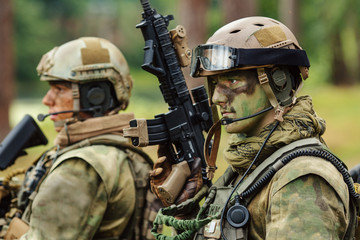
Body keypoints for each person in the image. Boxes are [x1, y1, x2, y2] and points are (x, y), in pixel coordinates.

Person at [149, 17, 359, 239]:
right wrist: (186, 208)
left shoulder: (302, 180)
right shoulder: (250, 168)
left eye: (232, 82)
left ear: (279, 82)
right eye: (215, 83)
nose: (217, 97)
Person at [1, 37, 160, 240]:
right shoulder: (113, 149)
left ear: (95, 96)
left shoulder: (80, 166)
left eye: (59, 89)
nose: (47, 100)